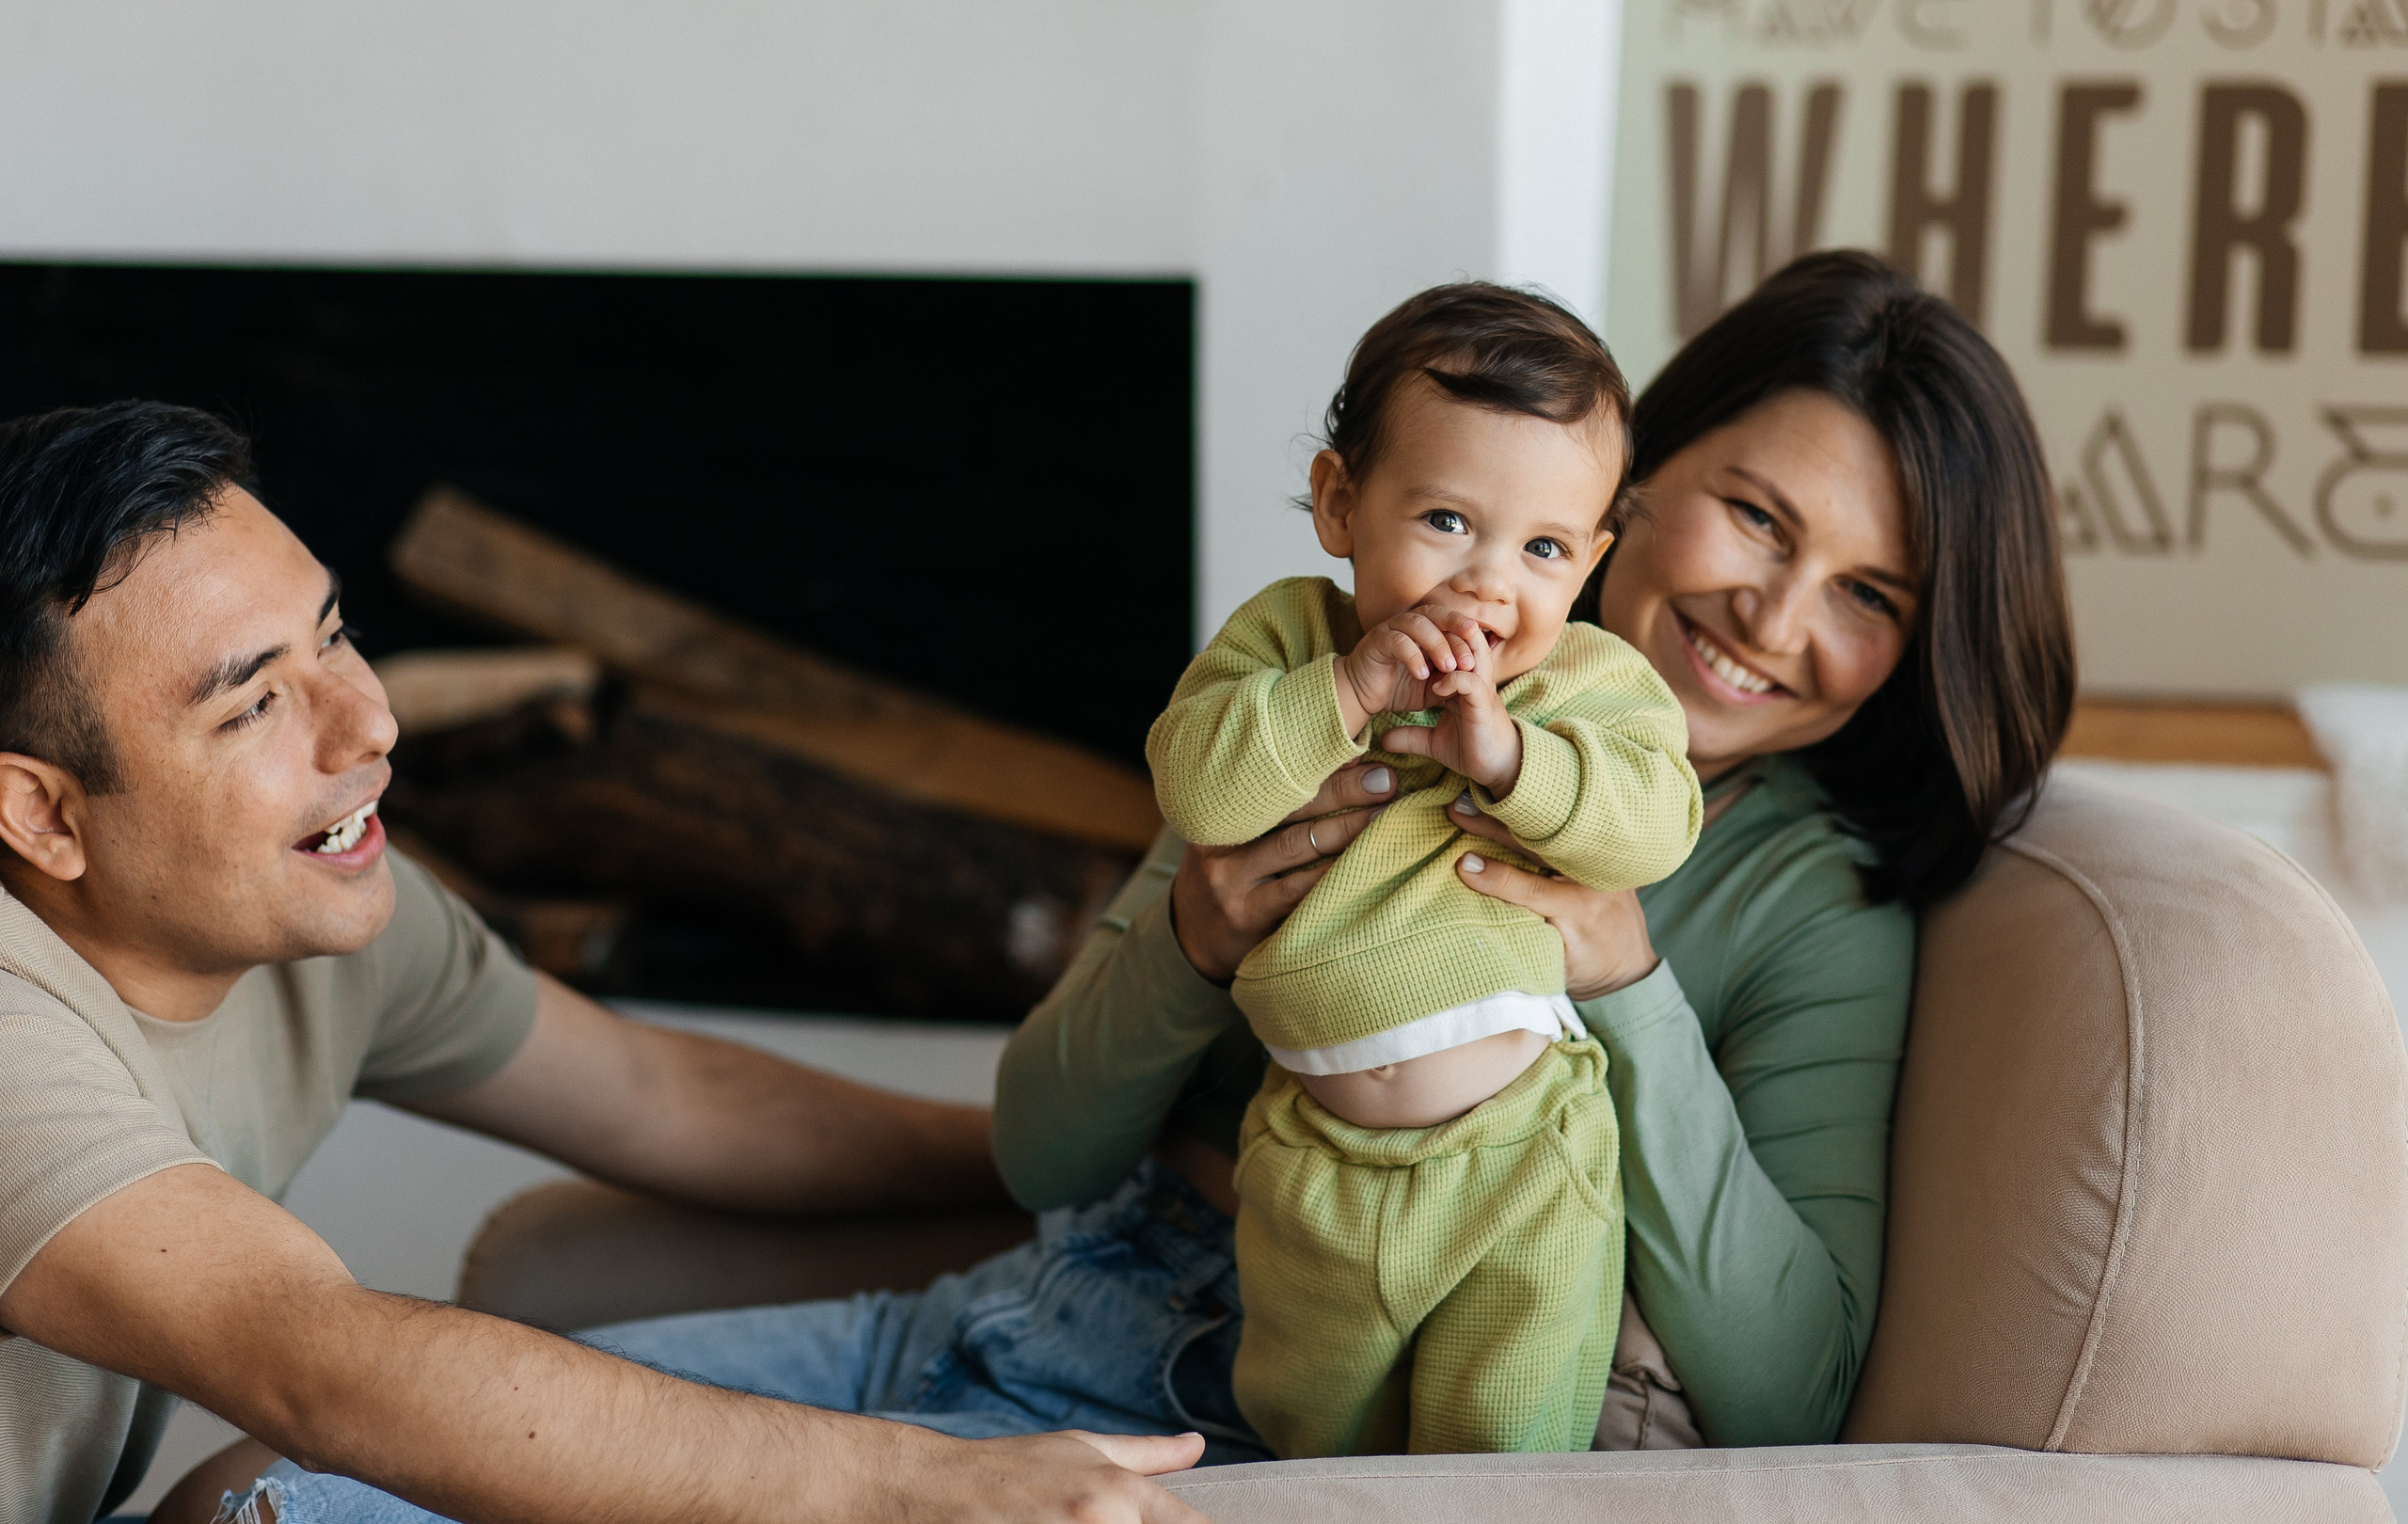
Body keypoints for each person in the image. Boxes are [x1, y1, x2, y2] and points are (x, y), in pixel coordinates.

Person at [232, 247, 2076, 1519]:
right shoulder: (1323, 676)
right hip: (1052, 1292)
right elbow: (1042, 1145)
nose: (1772, 615)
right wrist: (1186, 937)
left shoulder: (1812, 904)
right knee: (328, 1474)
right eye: (1752, 515)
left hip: (1251, 1404)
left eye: (1869, 593)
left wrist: (1626, 980)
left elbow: (1788, 1385)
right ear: (1631, 485)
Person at [0, 402, 1208, 1524]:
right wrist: (916, 1487)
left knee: (264, 1486)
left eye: (334, 635)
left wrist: (1091, 1154)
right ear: (41, 814)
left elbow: (661, 1097)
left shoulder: (317, 909)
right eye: (254, 707)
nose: (369, 723)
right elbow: (320, 1363)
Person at [1143, 284, 1699, 1456]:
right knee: (1311, 1444)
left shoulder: (1580, 688)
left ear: (1592, 560)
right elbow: (1196, 788)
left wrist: (1514, 763)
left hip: (1523, 1159)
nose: (1489, 584)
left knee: (1503, 1448)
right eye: (1446, 521)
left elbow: (1653, 827)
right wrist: (1350, 691)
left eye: (1543, 547)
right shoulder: (1290, 643)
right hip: (1310, 1162)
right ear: (1341, 504)